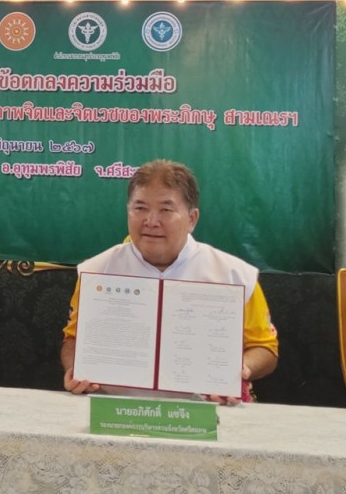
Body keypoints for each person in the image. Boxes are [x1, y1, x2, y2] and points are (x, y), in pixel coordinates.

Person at [61, 159, 278, 404]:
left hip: (205, 411)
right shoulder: (96, 272)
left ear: (192, 219)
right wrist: (75, 369)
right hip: (113, 409)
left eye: (166, 210)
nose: (151, 221)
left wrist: (240, 369)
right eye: (140, 208)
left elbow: (266, 349)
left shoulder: (234, 276)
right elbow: (73, 340)